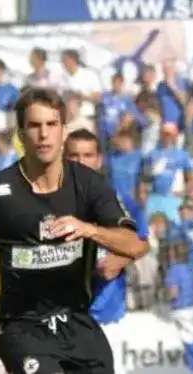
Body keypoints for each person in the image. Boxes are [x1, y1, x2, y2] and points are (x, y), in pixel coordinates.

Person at [0, 88, 148, 374]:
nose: (43, 134)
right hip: (18, 323)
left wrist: (89, 230)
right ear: (20, 134)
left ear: (63, 131)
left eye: (51, 125)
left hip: (76, 319)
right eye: (34, 125)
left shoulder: (89, 184)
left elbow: (134, 244)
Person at [63, 128, 151, 369]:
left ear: (99, 159)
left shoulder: (118, 199)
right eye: (74, 155)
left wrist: (120, 260)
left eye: (87, 155)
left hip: (108, 315)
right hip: (63, 319)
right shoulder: (48, 202)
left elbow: (143, 243)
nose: (81, 162)